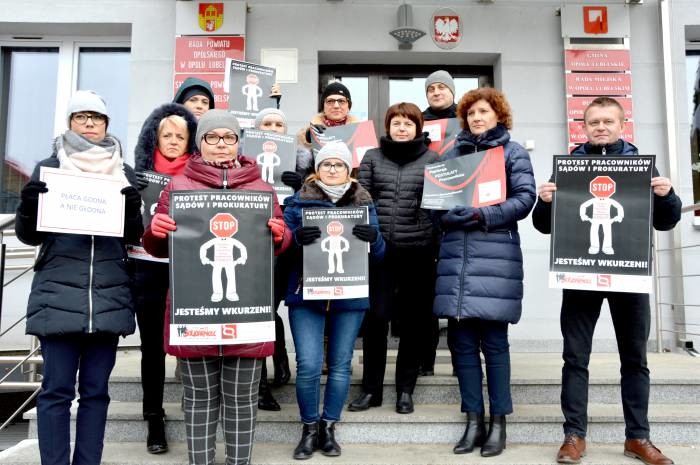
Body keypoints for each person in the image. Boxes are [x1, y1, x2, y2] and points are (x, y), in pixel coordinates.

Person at [532, 97, 680, 465]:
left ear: (622, 124)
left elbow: (666, 221)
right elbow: (543, 226)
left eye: (607, 121)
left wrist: (668, 195)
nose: (600, 127)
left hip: (629, 275)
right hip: (580, 276)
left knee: (635, 358)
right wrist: (546, 201)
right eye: (593, 121)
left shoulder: (641, 166)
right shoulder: (568, 168)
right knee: (575, 357)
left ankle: (638, 438)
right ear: (583, 126)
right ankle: (574, 435)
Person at [142, 109, 291, 465]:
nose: (221, 144)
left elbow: (280, 241)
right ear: (200, 143)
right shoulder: (177, 187)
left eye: (229, 137)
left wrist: (281, 235)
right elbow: (156, 246)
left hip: (247, 315)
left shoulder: (262, 189)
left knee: (242, 401)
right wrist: (156, 231)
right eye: (212, 137)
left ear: (239, 143)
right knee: (198, 399)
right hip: (196, 314)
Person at [15, 90, 143, 465]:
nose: (89, 123)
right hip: (58, 297)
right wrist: (29, 206)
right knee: (55, 391)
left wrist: (134, 212)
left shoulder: (123, 171)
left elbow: (131, 236)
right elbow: (30, 236)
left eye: (97, 118)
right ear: (70, 122)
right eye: (81, 117)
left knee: (96, 393)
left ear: (106, 124)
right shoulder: (49, 167)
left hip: (108, 296)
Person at [434, 88, 536, 457]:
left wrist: (483, 215)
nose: (477, 118)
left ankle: (499, 423)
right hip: (456, 261)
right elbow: (434, 205)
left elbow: (526, 198)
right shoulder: (451, 153)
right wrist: (446, 215)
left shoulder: (513, 152)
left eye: (484, 112)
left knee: (494, 345)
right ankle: (473, 420)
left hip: (494, 259)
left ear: (498, 116)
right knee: (461, 346)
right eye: (471, 113)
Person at [283, 141, 385, 460]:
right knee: (310, 364)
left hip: (349, 295)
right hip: (306, 294)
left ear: (348, 170)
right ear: (317, 168)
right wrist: (295, 240)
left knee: (340, 365)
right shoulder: (299, 201)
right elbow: (279, 245)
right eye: (326, 164)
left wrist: (375, 239)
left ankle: (329, 427)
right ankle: (309, 427)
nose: (332, 170)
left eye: (338, 165)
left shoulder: (364, 203)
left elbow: (380, 254)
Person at [348, 102, 438, 414]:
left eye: (408, 123)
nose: (401, 128)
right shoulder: (372, 157)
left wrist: (428, 233)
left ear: (418, 127)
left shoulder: (433, 159)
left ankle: (405, 390)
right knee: (375, 321)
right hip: (379, 253)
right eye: (396, 122)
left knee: (413, 324)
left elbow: (436, 205)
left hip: (418, 252)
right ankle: (371, 389)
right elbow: (363, 199)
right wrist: (372, 235)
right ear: (388, 127)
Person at [132, 102, 198, 453]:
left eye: (180, 136)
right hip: (147, 269)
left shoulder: (202, 176)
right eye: (166, 135)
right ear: (154, 138)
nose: (173, 141)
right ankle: (153, 415)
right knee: (152, 349)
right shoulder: (135, 176)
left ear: (191, 141)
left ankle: (196, 409)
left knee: (192, 342)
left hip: (191, 268)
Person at [252, 108, 293, 412]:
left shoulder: (299, 159)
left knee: (271, 308)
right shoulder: (245, 160)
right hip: (254, 246)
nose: (273, 128)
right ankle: (262, 383)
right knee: (260, 311)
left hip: (286, 247)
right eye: (267, 123)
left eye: (279, 124)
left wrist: (302, 182)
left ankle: (280, 359)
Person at [174, 77, 283, 121]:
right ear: (181, 104)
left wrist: (272, 103)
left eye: (205, 102)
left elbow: (251, 136)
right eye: (193, 100)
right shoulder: (164, 130)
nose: (199, 105)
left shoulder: (217, 133)